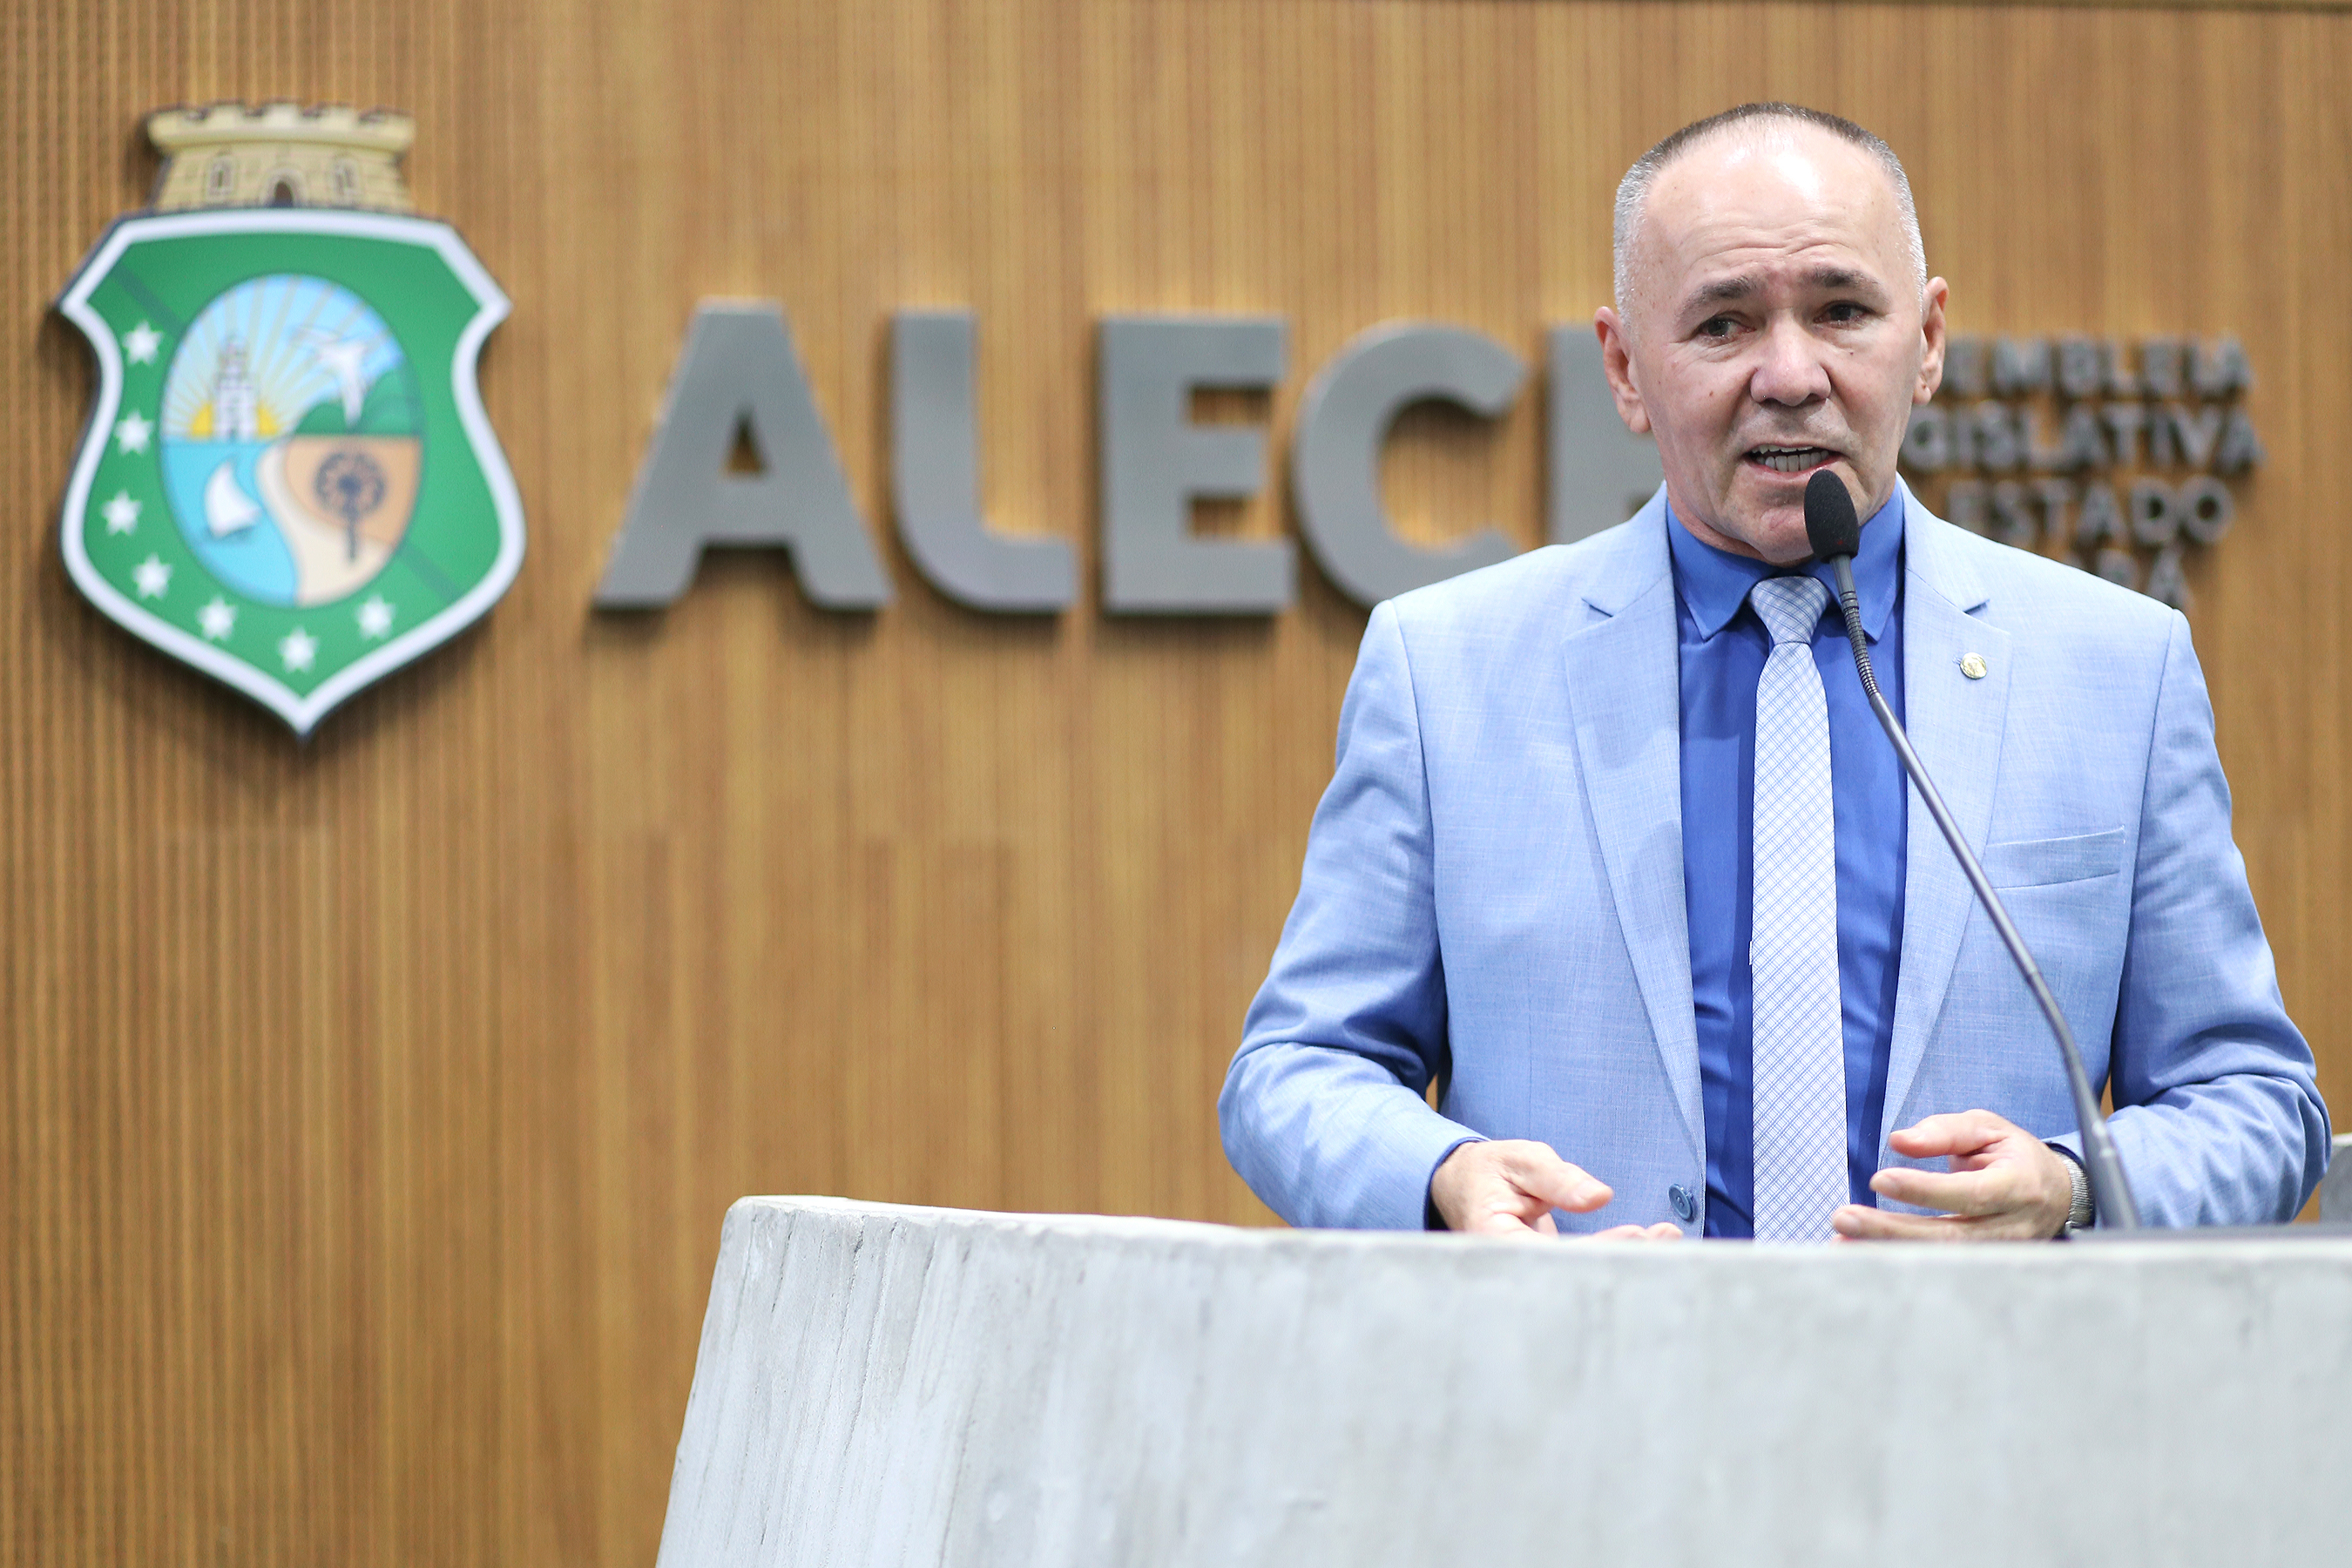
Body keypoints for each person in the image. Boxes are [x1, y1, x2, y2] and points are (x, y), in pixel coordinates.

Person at [1220, 103, 2329, 1240]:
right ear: (1625, 368)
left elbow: (2259, 1104)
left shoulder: (2116, 671)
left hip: (1987, 1401)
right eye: (1722, 325)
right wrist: (1444, 1178)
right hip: (1582, 1395)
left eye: (1842, 310)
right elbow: (1296, 1071)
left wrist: (2075, 1183)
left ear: (1931, 339)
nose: (1789, 374)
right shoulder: (1442, 670)